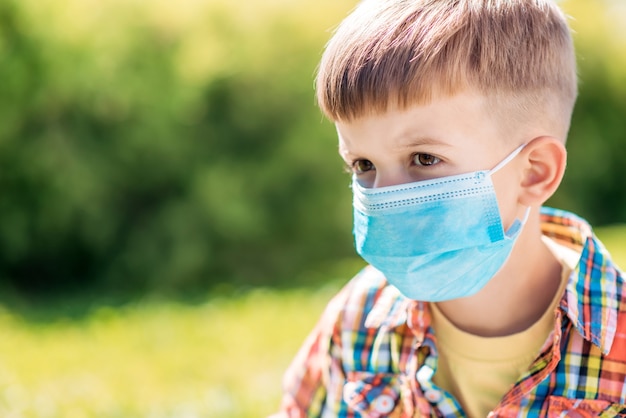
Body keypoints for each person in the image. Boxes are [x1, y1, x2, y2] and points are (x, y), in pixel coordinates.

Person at [273, 0, 626, 416]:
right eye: (363, 165)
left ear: (534, 173)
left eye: (424, 159)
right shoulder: (355, 324)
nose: (385, 198)